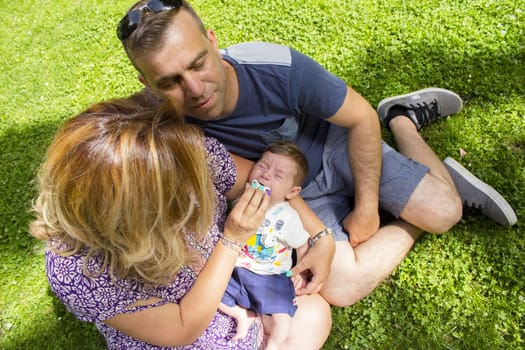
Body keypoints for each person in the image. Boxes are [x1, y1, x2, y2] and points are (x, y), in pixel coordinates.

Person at [116, 0, 517, 307]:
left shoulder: (276, 67)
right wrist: (322, 234)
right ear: (146, 83)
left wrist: (367, 208)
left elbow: (359, 119)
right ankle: (411, 208)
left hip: (336, 148)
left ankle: (400, 119)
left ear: (213, 40)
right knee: (340, 287)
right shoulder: (159, 123)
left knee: (445, 213)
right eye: (169, 81)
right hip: (291, 196)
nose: (195, 89)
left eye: (198, 64)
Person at [29, 95, 331, 349]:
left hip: (235, 281)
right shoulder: (77, 268)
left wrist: (320, 237)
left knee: (317, 311)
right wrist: (232, 240)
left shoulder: (179, 151)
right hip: (190, 328)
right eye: (173, 196)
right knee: (311, 316)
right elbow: (182, 328)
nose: (191, 182)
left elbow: (261, 184)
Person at [219, 141, 311, 349]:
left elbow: (302, 245)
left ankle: (273, 345)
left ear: (292, 192)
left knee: (283, 319)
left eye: (278, 176)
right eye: (262, 166)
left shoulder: (287, 217)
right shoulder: (240, 198)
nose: (266, 175)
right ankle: (241, 315)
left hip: (269, 276)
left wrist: (301, 272)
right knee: (211, 293)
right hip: (235, 269)